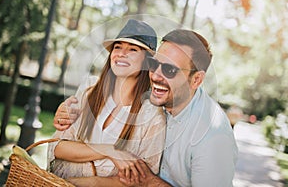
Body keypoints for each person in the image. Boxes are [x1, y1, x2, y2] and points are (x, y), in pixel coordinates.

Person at [54, 29, 238, 187]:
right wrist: (65, 111)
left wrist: (148, 181)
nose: (156, 76)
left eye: (170, 70)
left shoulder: (212, 138)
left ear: (196, 79)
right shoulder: (161, 98)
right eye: (154, 64)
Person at [47, 19, 166, 186]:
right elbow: (58, 147)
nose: (122, 53)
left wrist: (77, 183)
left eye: (132, 49)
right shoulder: (89, 89)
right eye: (118, 47)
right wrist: (109, 151)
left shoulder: (152, 117)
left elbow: (139, 180)